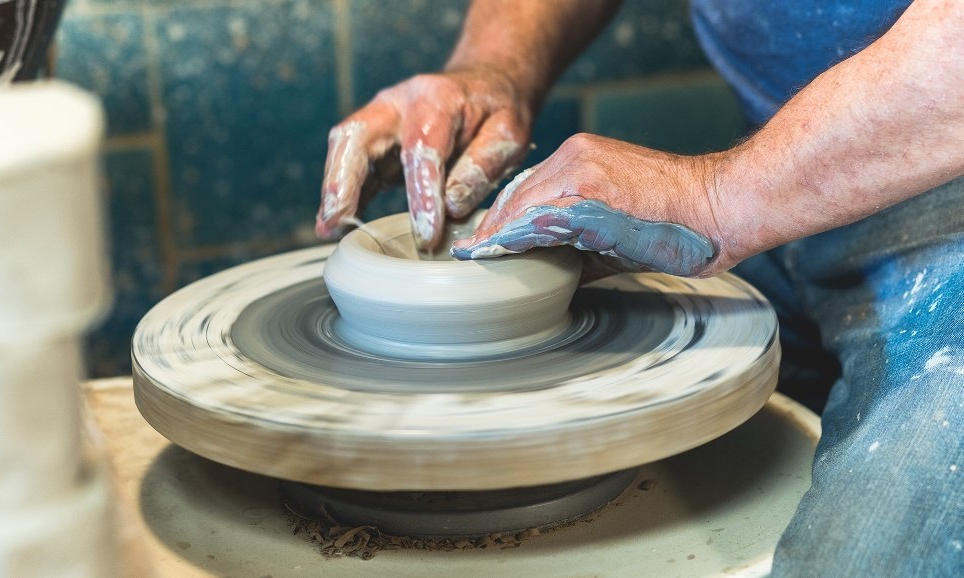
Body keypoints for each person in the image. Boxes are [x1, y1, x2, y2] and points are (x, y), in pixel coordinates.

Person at [316, 1, 964, 575]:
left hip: (933, 189)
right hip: (788, 173)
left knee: (876, 544)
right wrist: (495, 63)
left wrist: (719, 198)